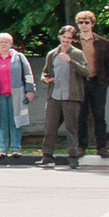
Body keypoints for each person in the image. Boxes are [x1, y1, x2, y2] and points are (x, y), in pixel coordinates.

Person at [41, 24, 91, 168]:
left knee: (71, 128)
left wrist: (71, 61)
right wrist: (45, 78)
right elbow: (45, 72)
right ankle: (47, 156)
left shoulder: (77, 54)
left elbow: (86, 72)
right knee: (50, 127)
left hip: (71, 96)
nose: (66, 40)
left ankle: (73, 157)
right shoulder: (52, 54)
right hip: (54, 95)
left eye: (69, 38)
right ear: (59, 37)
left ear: (73, 40)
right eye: (64, 37)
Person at [0, 32, 35, 157]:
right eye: (1, 42)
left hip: (16, 95)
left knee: (16, 121)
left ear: (11, 44)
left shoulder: (19, 57)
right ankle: (3, 149)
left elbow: (28, 74)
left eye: (6, 42)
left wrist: (30, 90)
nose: (3, 44)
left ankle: (16, 148)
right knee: (1, 122)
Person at [76, 11, 109, 155]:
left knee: (99, 115)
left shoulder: (102, 42)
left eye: (87, 22)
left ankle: (101, 146)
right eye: (81, 22)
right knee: (81, 115)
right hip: (80, 82)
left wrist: (105, 81)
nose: (84, 25)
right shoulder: (74, 42)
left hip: (98, 81)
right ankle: (81, 146)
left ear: (92, 24)